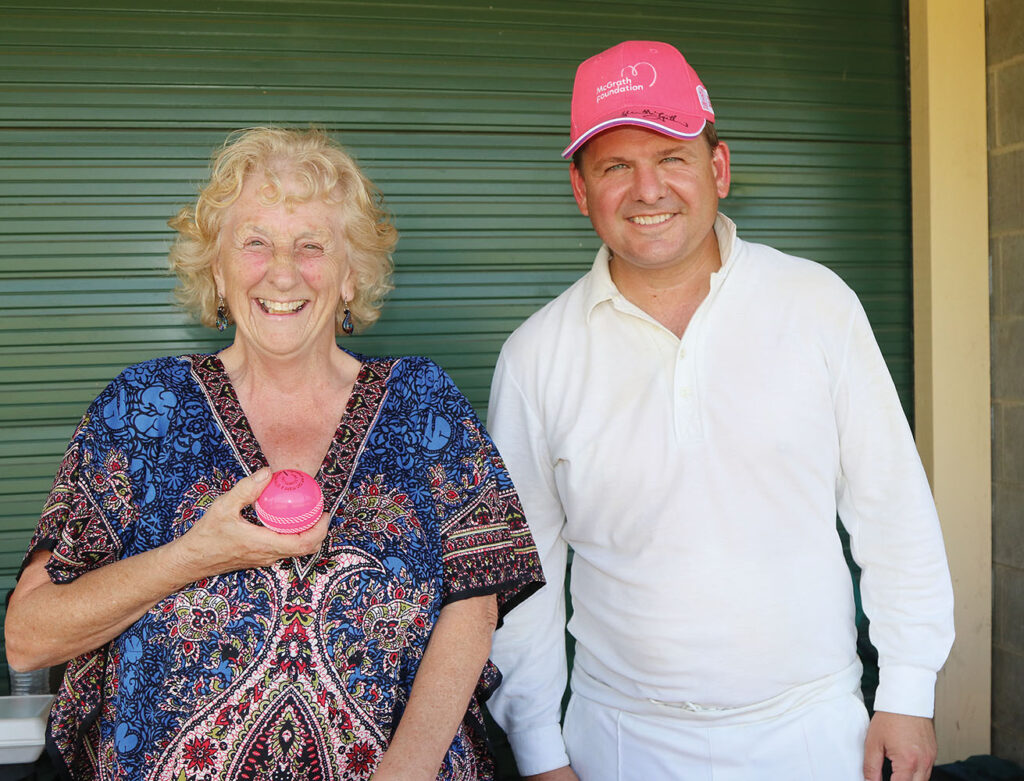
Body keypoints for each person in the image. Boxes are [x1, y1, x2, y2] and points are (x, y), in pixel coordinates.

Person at [5, 126, 544, 781]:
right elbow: (29, 635)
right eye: (254, 241)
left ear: (351, 277)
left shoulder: (422, 401)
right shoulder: (138, 408)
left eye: (311, 245)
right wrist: (193, 556)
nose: (283, 271)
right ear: (218, 271)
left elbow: (475, 602)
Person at [485, 41, 954, 781]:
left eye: (672, 156)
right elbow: (524, 576)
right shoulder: (535, 356)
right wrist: (539, 747)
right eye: (615, 166)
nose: (648, 189)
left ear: (719, 169)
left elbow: (892, 508)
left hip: (814, 731)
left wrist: (907, 689)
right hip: (621, 741)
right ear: (580, 190)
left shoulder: (817, 305)